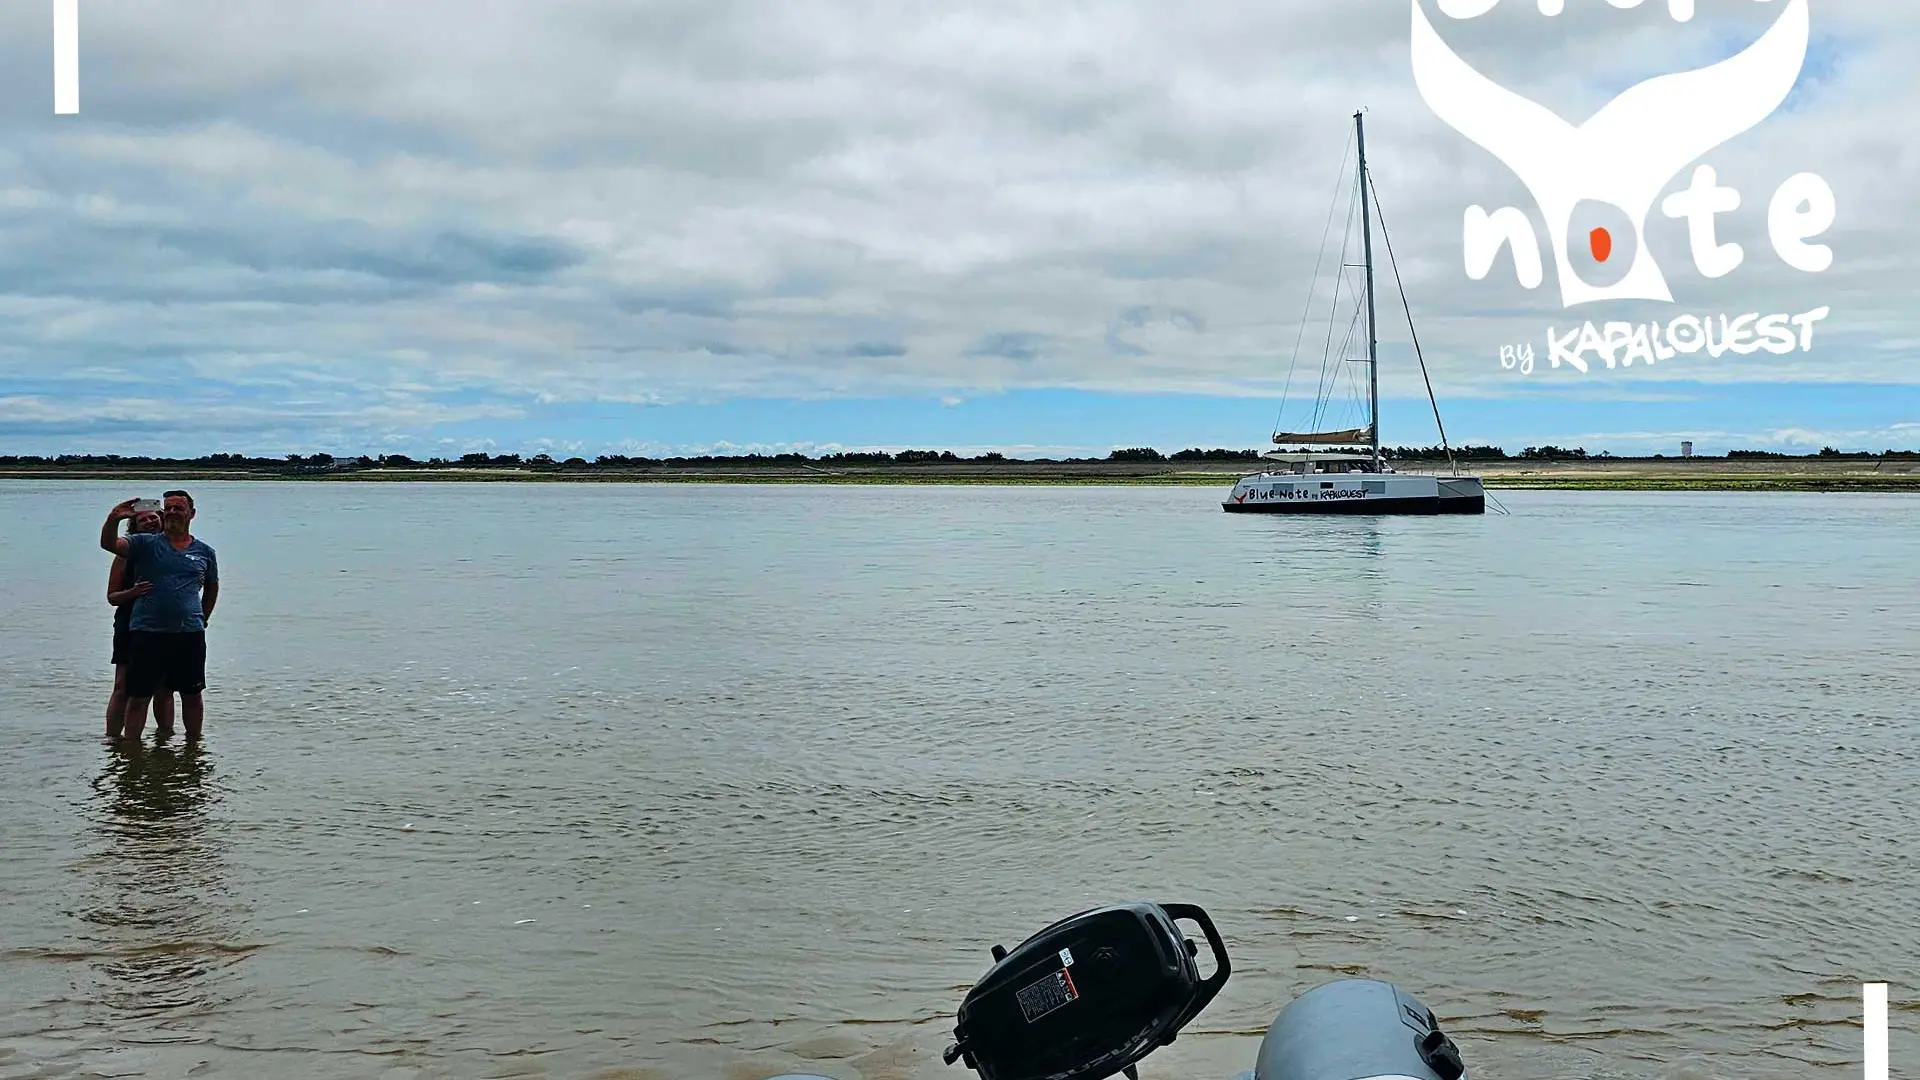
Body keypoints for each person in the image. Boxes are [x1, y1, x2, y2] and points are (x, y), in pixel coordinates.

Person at [99, 491, 219, 741]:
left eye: (179, 508)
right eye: (170, 508)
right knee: (137, 695)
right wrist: (114, 518)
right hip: (147, 632)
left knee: (191, 694)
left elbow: (212, 587)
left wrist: (202, 618)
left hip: (189, 634)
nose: (173, 512)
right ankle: (129, 755)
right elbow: (110, 544)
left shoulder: (205, 551)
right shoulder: (144, 544)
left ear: (192, 514)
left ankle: (192, 749)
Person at [105, 508, 177, 738]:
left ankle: (165, 740)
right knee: (123, 687)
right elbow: (112, 598)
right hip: (129, 623)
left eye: (152, 518)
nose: (148, 522)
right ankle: (113, 740)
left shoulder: (176, 549)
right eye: (142, 520)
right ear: (134, 527)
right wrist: (134, 592)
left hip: (166, 625)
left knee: (164, 687)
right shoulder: (125, 555)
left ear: (162, 520)